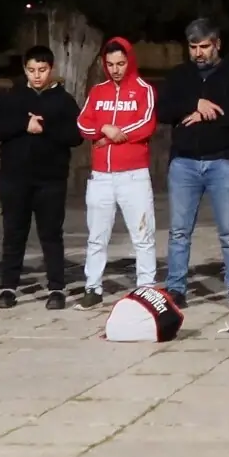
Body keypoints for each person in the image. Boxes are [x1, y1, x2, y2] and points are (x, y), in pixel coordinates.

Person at [156, 18, 229, 312]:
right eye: (193, 47)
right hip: (184, 164)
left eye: (204, 47)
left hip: (222, 162)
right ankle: (176, 289)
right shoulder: (179, 76)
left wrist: (210, 115)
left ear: (217, 45)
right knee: (179, 232)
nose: (198, 53)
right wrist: (195, 104)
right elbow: (163, 110)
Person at [0, 46, 82, 310]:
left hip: (50, 180)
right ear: (24, 70)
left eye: (42, 70)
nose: (37, 76)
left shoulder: (63, 100)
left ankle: (56, 288)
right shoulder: (12, 97)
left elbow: (76, 135)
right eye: (31, 70)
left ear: (51, 69)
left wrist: (45, 127)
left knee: (51, 234)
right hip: (15, 179)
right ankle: (8, 287)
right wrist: (23, 125)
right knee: (14, 233)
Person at [74, 36, 159, 309]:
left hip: (133, 175)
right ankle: (93, 287)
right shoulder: (98, 92)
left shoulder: (144, 90)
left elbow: (146, 125)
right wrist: (106, 129)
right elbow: (82, 123)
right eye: (110, 64)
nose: (115, 69)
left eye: (120, 63)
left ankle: (146, 288)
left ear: (129, 61)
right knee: (97, 236)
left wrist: (107, 136)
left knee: (142, 235)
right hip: (101, 177)